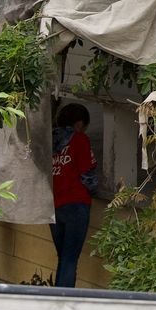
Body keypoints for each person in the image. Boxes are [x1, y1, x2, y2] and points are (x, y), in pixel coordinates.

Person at [51, 101, 100, 288]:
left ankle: (57, 300)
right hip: (76, 205)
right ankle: (63, 304)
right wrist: (94, 189)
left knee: (63, 258)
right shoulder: (80, 139)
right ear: (79, 123)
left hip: (53, 206)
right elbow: (87, 173)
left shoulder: (49, 140)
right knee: (69, 259)